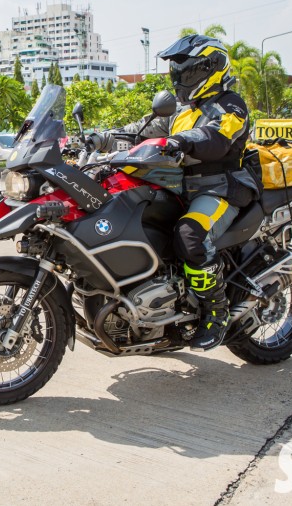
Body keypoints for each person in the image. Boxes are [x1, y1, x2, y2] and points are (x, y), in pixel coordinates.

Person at [90, 35, 259, 350]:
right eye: (177, 73)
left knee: (189, 235)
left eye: (187, 71)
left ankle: (216, 313)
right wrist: (100, 139)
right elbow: (139, 130)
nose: (180, 78)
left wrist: (181, 141)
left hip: (221, 190)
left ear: (210, 70)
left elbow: (215, 136)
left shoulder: (230, 104)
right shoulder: (179, 111)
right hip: (181, 190)